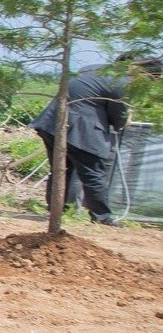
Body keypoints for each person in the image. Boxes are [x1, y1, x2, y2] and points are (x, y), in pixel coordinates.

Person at [30, 57, 160, 226]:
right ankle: (102, 217)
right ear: (146, 74)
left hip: (51, 122)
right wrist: (126, 118)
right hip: (81, 129)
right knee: (93, 173)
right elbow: (119, 118)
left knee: (61, 169)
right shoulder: (123, 83)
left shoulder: (91, 66)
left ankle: (57, 210)